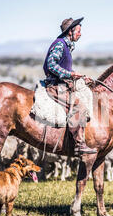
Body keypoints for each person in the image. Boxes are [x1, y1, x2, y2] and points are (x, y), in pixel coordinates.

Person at [42, 17, 97, 155]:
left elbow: (61, 67)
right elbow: (51, 65)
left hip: (61, 83)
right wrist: (70, 74)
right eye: (78, 31)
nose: (80, 34)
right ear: (70, 32)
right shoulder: (60, 44)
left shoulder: (66, 45)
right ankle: (79, 144)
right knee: (80, 108)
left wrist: (81, 77)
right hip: (55, 86)